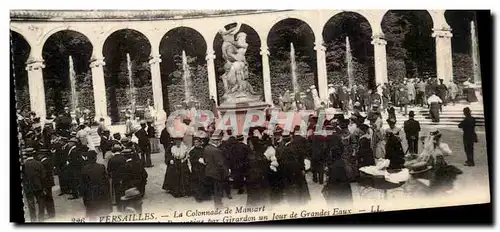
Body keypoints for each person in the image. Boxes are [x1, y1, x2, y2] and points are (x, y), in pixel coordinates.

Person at [79, 151, 112, 220]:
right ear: (96, 158)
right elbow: (106, 181)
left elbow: (83, 184)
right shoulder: (101, 167)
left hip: (90, 193)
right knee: (103, 213)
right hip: (101, 192)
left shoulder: (84, 169)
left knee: (92, 214)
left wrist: (84, 196)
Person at [202, 132, 229, 208]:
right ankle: (218, 205)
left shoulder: (206, 148)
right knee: (218, 190)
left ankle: (218, 204)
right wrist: (226, 172)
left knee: (214, 189)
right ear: (216, 141)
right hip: (217, 173)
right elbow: (221, 164)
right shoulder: (217, 151)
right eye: (219, 141)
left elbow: (204, 160)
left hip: (208, 171)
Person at [246, 136, 271, 207]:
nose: (249, 145)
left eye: (250, 144)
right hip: (256, 180)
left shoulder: (254, 156)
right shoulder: (260, 154)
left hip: (255, 180)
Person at [22, 148, 46, 222]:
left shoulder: (24, 165)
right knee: (41, 202)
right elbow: (43, 176)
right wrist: (43, 187)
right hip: (38, 186)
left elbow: (23, 177)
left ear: (26, 155)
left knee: (31, 204)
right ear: (33, 154)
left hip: (28, 187)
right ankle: (41, 218)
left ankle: (33, 220)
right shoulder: (38, 163)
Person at [189, 132, 210, 202]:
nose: (197, 144)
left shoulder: (203, 150)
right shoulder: (192, 151)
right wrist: (197, 160)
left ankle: (205, 196)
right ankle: (198, 197)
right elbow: (191, 160)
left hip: (203, 168)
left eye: (198, 142)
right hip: (196, 169)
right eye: (195, 143)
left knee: (204, 182)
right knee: (197, 183)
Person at [36, 149, 56, 219]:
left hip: (46, 183)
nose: (38, 156)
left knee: (48, 198)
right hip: (49, 183)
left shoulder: (44, 163)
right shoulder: (47, 161)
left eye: (39, 154)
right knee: (49, 198)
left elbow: (44, 175)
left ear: (42, 155)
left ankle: (51, 213)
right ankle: (51, 213)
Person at [107, 144, 126, 210]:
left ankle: (118, 202)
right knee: (123, 188)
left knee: (116, 190)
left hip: (115, 177)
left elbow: (109, 169)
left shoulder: (111, 159)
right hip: (123, 176)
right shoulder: (123, 158)